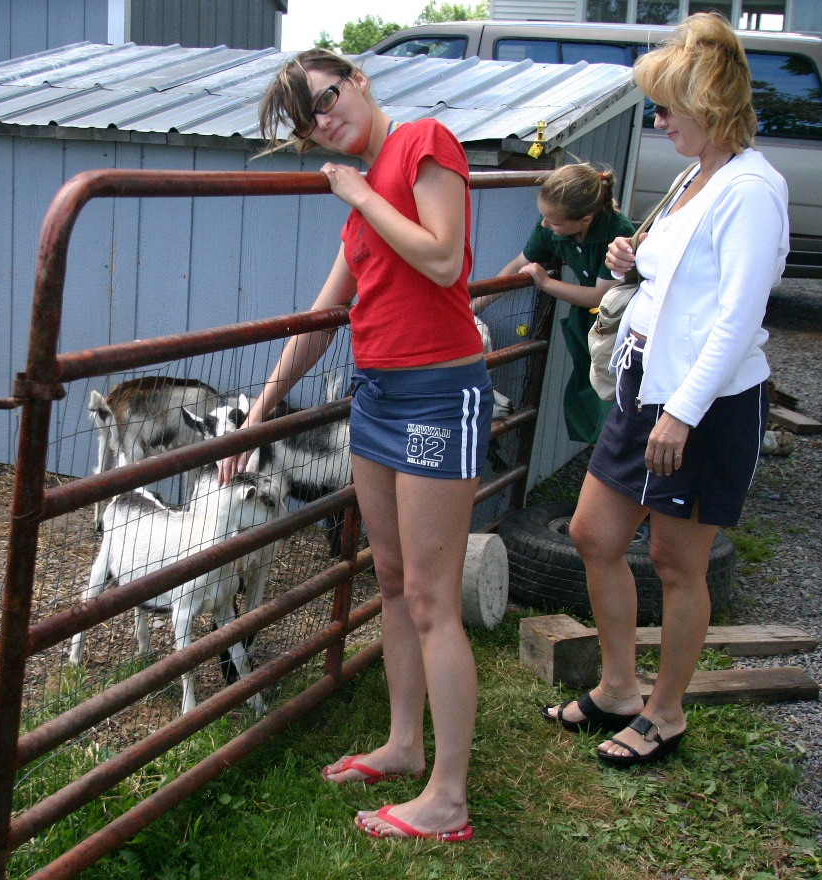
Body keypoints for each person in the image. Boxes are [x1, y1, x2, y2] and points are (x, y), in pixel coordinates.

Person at [217, 48, 487, 842]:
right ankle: (406, 746)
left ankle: (449, 797)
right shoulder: (357, 208)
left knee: (436, 599)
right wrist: (260, 413)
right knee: (395, 580)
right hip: (374, 397)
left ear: (359, 81)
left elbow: (443, 257)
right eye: (309, 124)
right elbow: (318, 320)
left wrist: (364, 192)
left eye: (326, 101)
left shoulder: (424, 144)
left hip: (438, 392)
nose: (324, 124)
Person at [543, 13, 788, 767]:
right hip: (644, 383)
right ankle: (619, 686)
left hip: (703, 403)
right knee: (595, 534)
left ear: (708, 105)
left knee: (680, 564)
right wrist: (630, 261)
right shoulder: (694, 175)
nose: (659, 120)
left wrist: (682, 412)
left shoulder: (752, 188)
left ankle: (667, 711)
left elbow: (737, 313)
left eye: (667, 106)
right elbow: (678, 278)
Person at [494, 164, 635, 443]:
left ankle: (614, 450)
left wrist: (545, 283)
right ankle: (597, 450)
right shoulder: (550, 225)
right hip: (585, 321)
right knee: (585, 384)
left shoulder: (617, 231)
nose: (545, 225)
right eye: (543, 218)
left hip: (617, 325)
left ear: (584, 220)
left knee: (611, 390)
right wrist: (472, 306)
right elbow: (519, 264)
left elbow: (601, 296)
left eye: (554, 222)